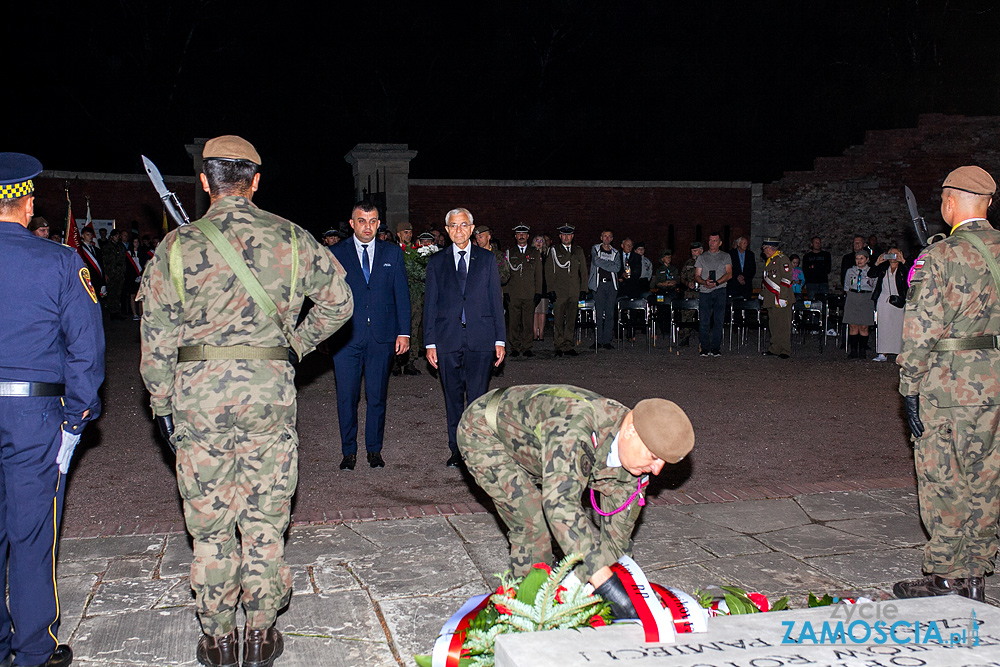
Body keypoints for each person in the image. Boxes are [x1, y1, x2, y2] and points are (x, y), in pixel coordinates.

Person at [138, 136, 353, 667]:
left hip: (199, 401)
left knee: (209, 525)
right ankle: (259, 635)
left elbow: (157, 337)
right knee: (263, 519)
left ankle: (216, 638)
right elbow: (340, 302)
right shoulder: (292, 238)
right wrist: (293, 347)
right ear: (256, 181)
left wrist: (162, 404)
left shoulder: (177, 247)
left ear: (206, 181)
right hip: (267, 396)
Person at [457, 384, 694, 615]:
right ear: (631, 430)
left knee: (596, 558)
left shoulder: (634, 466)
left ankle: (561, 603)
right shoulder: (576, 426)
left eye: (664, 462)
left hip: (540, 450)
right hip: (486, 432)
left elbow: (616, 545)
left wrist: (620, 595)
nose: (656, 471)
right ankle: (528, 613)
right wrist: (606, 586)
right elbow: (560, 505)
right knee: (532, 522)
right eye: (653, 457)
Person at [0, 152, 105, 667]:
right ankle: (34, 647)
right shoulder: (60, 262)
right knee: (32, 532)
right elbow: (85, 349)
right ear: (27, 203)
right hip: (32, 416)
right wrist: (78, 415)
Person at [894, 165, 999, 603]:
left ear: (949, 203)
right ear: (989, 203)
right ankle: (977, 570)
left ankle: (946, 575)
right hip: (994, 381)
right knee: (986, 474)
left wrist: (909, 387)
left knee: (942, 477)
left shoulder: (941, 256)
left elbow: (921, 331)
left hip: (949, 387)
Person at [330, 201, 410, 470]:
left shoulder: (392, 253)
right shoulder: (336, 253)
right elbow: (326, 296)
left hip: (382, 335)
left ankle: (374, 450)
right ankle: (348, 451)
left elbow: (402, 295)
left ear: (379, 224)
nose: (368, 226)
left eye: (373, 221)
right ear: (352, 224)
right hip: (346, 338)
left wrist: (404, 332)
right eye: (362, 221)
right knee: (347, 396)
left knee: (376, 396)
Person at [424, 207, 505, 467]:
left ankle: (478, 448)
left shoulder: (486, 259)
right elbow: (431, 304)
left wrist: (500, 340)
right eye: (453, 226)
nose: (458, 230)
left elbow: (495, 299)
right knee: (453, 397)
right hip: (447, 339)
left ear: (471, 229)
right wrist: (430, 342)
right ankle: (457, 450)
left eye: (463, 225)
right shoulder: (437, 262)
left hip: (481, 338)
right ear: (447, 231)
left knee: (479, 397)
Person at [547, 225, 588, 356]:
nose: (566, 237)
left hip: (574, 290)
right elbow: (548, 271)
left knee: (571, 319)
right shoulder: (554, 250)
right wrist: (550, 289)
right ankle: (559, 346)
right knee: (558, 319)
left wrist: (583, 288)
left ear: (572, 236)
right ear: (560, 236)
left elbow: (583, 271)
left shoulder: (578, 250)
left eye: (568, 235)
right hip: (559, 291)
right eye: (563, 235)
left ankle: (569, 345)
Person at [504, 224, 543, 358]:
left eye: (523, 234)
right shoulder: (510, 253)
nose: (521, 236)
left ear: (527, 236)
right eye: (518, 234)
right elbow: (505, 273)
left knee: (528, 322)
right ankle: (514, 347)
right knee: (513, 322)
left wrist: (538, 292)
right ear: (515, 236)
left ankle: (527, 347)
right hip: (514, 293)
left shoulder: (534, 253)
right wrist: (505, 291)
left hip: (529, 293)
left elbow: (538, 274)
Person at [694, 232, 732, 357]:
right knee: (704, 320)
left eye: (715, 240)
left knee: (718, 320)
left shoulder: (725, 256)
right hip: (705, 291)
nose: (712, 243)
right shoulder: (702, 257)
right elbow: (697, 275)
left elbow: (729, 274)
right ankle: (705, 348)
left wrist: (717, 282)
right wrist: (705, 282)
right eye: (710, 240)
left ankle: (716, 347)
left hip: (720, 290)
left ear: (720, 243)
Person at [868, 246, 908, 362]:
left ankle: (899, 352)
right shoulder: (883, 267)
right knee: (883, 326)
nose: (893, 257)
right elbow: (871, 274)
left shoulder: (903, 268)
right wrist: (877, 263)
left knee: (899, 326)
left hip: (899, 299)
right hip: (884, 298)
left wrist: (904, 261)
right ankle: (883, 353)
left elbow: (913, 273)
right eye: (890, 254)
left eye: (895, 254)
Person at [761, 238, 795, 358]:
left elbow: (786, 279)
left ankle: (785, 350)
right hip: (771, 297)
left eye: (765, 248)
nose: (763, 251)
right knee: (773, 324)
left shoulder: (782, 259)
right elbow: (768, 279)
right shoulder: (770, 260)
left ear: (770, 248)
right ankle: (775, 348)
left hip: (781, 297)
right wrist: (763, 293)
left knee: (783, 325)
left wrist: (782, 296)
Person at [589, 230, 621, 350]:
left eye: (609, 237)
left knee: (609, 313)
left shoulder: (615, 252)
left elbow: (617, 267)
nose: (607, 238)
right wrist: (609, 264)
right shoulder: (595, 249)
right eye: (605, 236)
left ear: (612, 239)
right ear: (601, 237)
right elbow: (595, 261)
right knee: (598, 313)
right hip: (598, 285)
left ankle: (607, 340)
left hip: (611, 285)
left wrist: (602, 263)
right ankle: (597, 340)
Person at [843, 249, 876, 358]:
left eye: (861, 258)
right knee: (853, 325)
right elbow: (846, 286)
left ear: (867, 259)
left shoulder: (872, 271)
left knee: (863, 326)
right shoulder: (850, 271)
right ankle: (853, 350)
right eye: (857, 258)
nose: (859, 261)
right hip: (853, 297)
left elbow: (875, 286)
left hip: (866, 297)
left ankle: (862, 350)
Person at [123, 234, 145, 320]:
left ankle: (141, 313)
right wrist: (134, 277)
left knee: (141, 296)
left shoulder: (141, 253)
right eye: (134, 242)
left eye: (137, 242)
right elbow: (128, 267)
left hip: (141, 276)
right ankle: (134, 313)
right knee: (132, 295)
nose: (136, 244)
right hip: (132, 278)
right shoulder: (128, 254)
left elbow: (143, 265)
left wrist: (141, 275)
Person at [531, 234, 549, 341]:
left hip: (544, 286)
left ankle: (541, 333)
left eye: (541, 240)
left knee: (542, 311)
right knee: (534, 311)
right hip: (533, 285)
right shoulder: (531, 255)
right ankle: (534, 333)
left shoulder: (547, 255)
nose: (539, 242)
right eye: (537, 240)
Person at [727, 236, 756, 301]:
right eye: (744, 243)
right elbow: (728, 269)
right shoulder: (730, 254)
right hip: (734, 285)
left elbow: (752, 269)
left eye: (746, 243)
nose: (746, 245)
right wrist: (737, 276)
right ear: (738, 244)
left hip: (746, 285)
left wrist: (744, 277)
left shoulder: (750, 254)